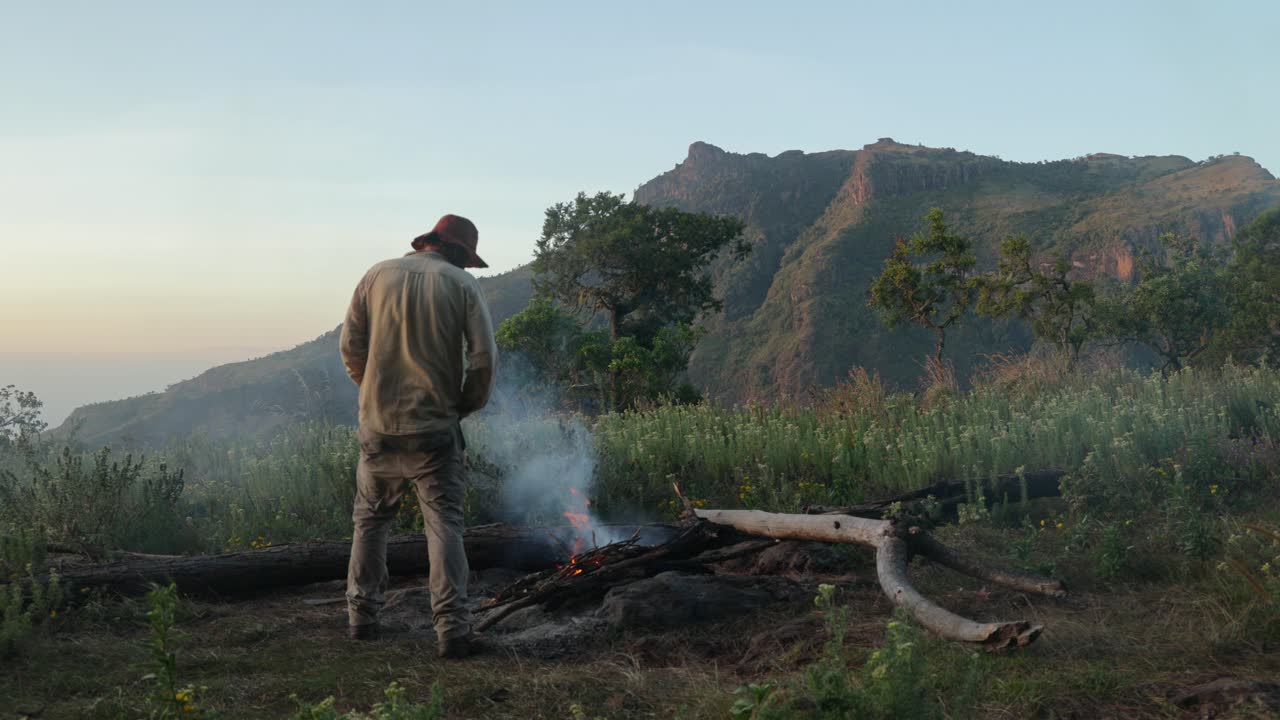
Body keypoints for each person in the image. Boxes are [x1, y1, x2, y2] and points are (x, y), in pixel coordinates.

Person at [338, 214, 497, 659]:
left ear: (428, 242)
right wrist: (465, 405)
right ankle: (452, 630)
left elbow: (351, 345)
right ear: (458, 253)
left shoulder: (376, 275)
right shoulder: (462, 285)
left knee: (370, 522)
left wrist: (371, 394)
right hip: (434, 429)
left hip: (378, 427)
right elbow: (483, 358)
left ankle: (361, 619)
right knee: (444, 524)